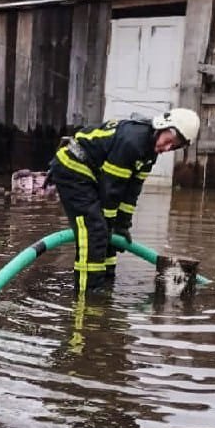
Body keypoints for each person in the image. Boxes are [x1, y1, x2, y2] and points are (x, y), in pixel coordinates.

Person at [48, 108, 200, 295]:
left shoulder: (148, 154)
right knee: (94, 230)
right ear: (163, 126)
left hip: (94, 174)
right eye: (169, 141)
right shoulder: (132, 142)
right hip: (72, 168)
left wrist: (122, 225)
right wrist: (110, 225)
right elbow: (110, 193)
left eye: (174, 147)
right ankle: (89, 296)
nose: (167, 148)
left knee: (109, 237)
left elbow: (131, 193)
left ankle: (107, 282)